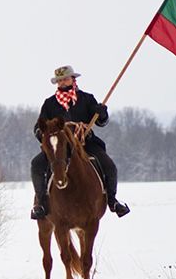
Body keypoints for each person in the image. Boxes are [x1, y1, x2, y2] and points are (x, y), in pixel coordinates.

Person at [31, 65, 130, 219]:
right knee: (36, 164)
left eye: (65, 79)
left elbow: (102, 122)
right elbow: (40, 125)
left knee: (109, 166)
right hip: (60, 147)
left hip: (86, 143)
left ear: (73, 79)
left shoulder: (87, 98)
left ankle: (112, 201)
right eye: (59, 80)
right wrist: (42, 134)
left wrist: (102, 113)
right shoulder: (49, 103)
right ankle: (41, 203)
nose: (62, 82)